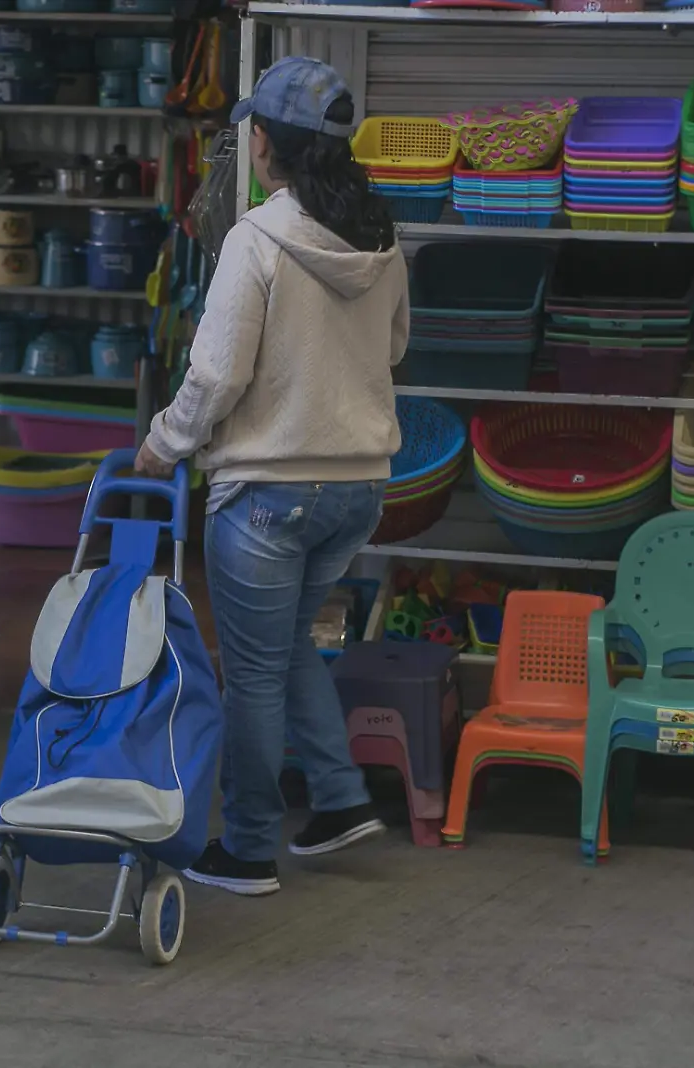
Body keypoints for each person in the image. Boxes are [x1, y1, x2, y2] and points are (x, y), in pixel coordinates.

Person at [134, 57, 409, 896]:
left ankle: (248, 847)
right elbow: (394, 347)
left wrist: (162, 445)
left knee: (249, 672)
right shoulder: (381, 236)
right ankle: (336, 795)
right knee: (286, 646)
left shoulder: (255, 239)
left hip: (266, 495)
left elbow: (216, 377)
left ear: (265, 144)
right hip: (358, 489)